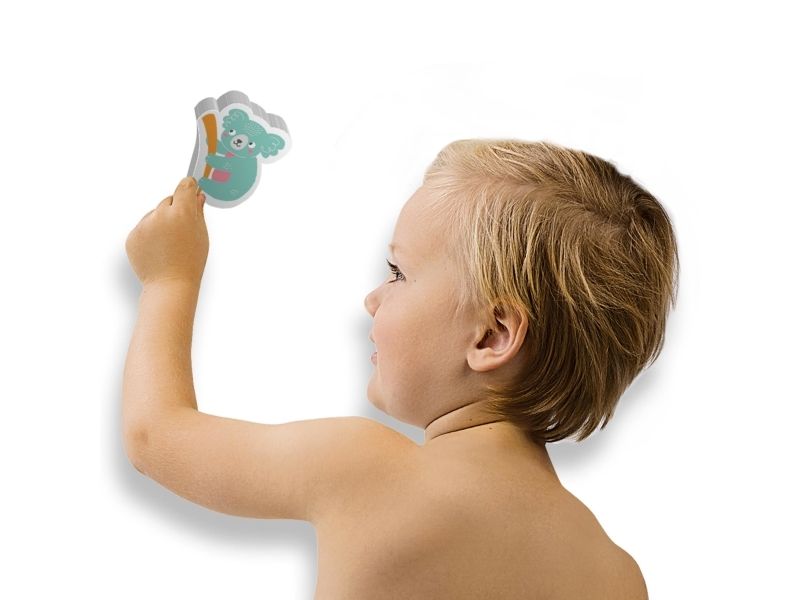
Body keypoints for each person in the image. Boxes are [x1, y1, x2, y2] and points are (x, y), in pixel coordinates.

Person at [124, 139, 678, 598]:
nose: (373, 299)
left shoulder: (365, 468)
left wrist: (169, 278)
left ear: (491, 335)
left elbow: (154, 437)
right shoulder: (617, 575)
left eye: (398, 273)